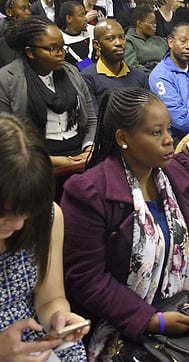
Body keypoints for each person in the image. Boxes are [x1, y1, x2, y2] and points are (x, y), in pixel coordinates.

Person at [60, 87, 189, 360]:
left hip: (184, 302)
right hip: (124, 318)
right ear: (123, 138)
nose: (169, 141)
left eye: (169, 130)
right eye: (156, 132)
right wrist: (151, 320)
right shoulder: (89, 192)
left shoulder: (178, 173)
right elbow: (86, 279)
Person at [0, 114, 90, 361]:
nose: (18, 224)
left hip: (34, 343)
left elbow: (50, 297)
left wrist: (58, 317)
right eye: (5, 214)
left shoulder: (46, 216)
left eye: (26, 212)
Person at [0, 15, 97, 168]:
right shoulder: (6, 79)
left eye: (62, 47)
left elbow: (91, 118)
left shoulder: (71, 72)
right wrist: (52, 161)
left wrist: (90, 148)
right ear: (30, 52)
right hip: (34, 159)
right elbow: (5, 138)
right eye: (52, 48)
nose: (60, 53)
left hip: (81, 150)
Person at [149, 22, 189, 147]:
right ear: (170, 42)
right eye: (183, 41)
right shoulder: (161, 75)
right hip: (176, 140)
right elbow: (181, 122)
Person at [81, 19, 149, 113]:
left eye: (122, 37)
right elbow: (92, 120)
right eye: (110, 39)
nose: (119, 43)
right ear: (97, 45)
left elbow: (147, 113)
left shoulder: (140, 76)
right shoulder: (87, 78)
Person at [125, 6, 169, 74]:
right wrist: (154, 75)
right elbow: (132, 66)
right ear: (139, 23)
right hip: (143, 78)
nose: (155, 26)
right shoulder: (129, 40)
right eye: (151, 23)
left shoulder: (160, 41)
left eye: (155, 23)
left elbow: (171, 61)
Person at [59, 1, 95, 71]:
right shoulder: (61, 40)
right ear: (69, 18)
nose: (85, 19)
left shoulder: (92, 30)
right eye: (82, 15)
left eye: (85, 14)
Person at [0, 0, 31, 67]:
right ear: (9, 12)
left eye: (29, 8)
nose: (29, 12)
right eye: (23, 9)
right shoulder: (3, 36)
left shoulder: (29, 28)